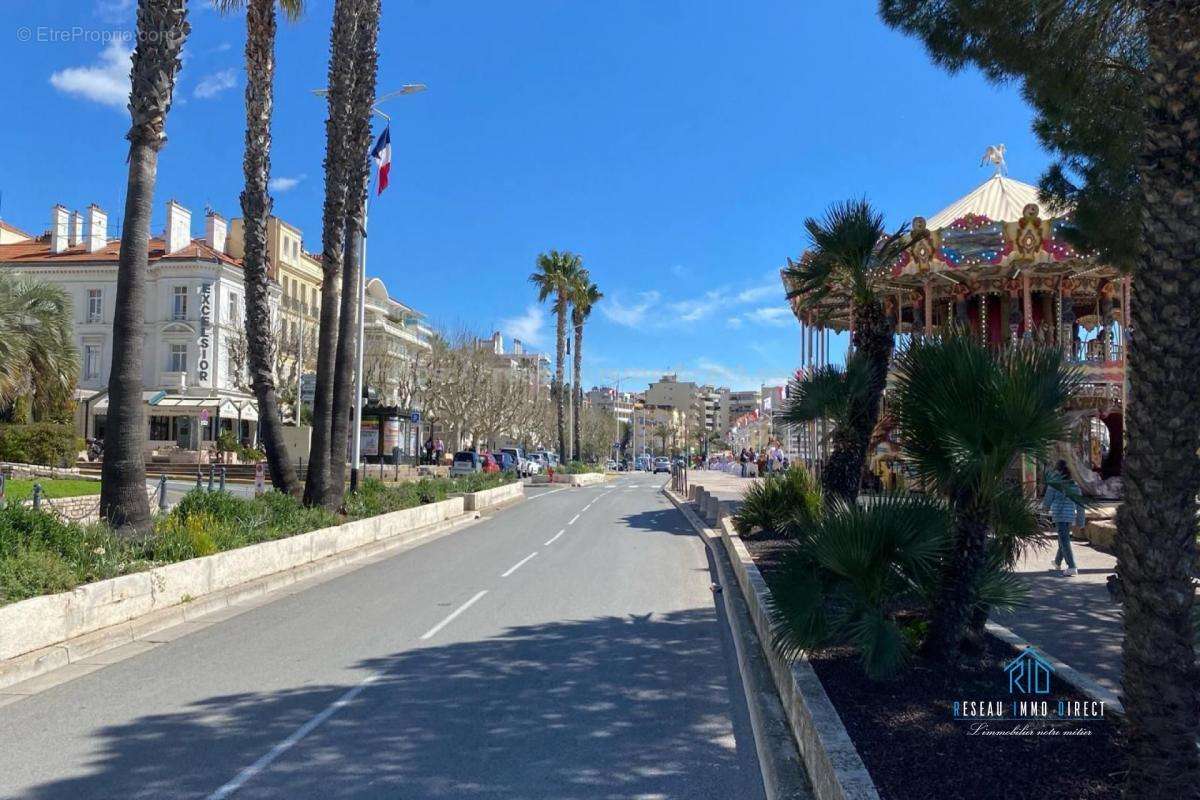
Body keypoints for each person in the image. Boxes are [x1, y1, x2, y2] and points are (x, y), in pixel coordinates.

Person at [1043, 460, 1087, 577]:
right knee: (1063, 538)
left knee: (1064, 540)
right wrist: (1081, 521)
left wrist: (1045, 509)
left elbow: (1047, 500)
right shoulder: (1074, 485)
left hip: (1059, 515)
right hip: (1070, 515)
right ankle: (1057, 562)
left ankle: (1072, 566)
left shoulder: (1054, 484)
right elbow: (1080, 505)